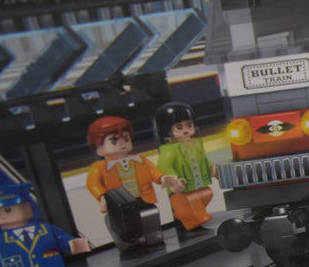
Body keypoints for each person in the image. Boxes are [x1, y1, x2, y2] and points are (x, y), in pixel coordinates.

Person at [84, 115, 182, 252]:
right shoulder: (99, 167)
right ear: (98, 147)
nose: (122, 144)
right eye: (114, 141)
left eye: (126, 138)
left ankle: (153, 237)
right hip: (119, 204)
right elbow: (92, 183)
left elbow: (154, 172)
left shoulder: (140, 160)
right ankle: (129, 244)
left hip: (142, 199)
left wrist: (163, 179)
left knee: (150, 216)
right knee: (121, 225)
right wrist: (102, 196)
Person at [153, 102, 216, 234]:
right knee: (190, 200)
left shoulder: (196, 144)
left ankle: (185, 214)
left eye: (189, 125)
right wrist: (175, 180)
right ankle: (189, 217)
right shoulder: (169, 150)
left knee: (207, 193)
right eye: (179, 127)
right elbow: (164, 166)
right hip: (184, 186)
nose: (185, 130)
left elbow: (203, 159)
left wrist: (212, 169)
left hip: (199, 183)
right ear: (167, 129)